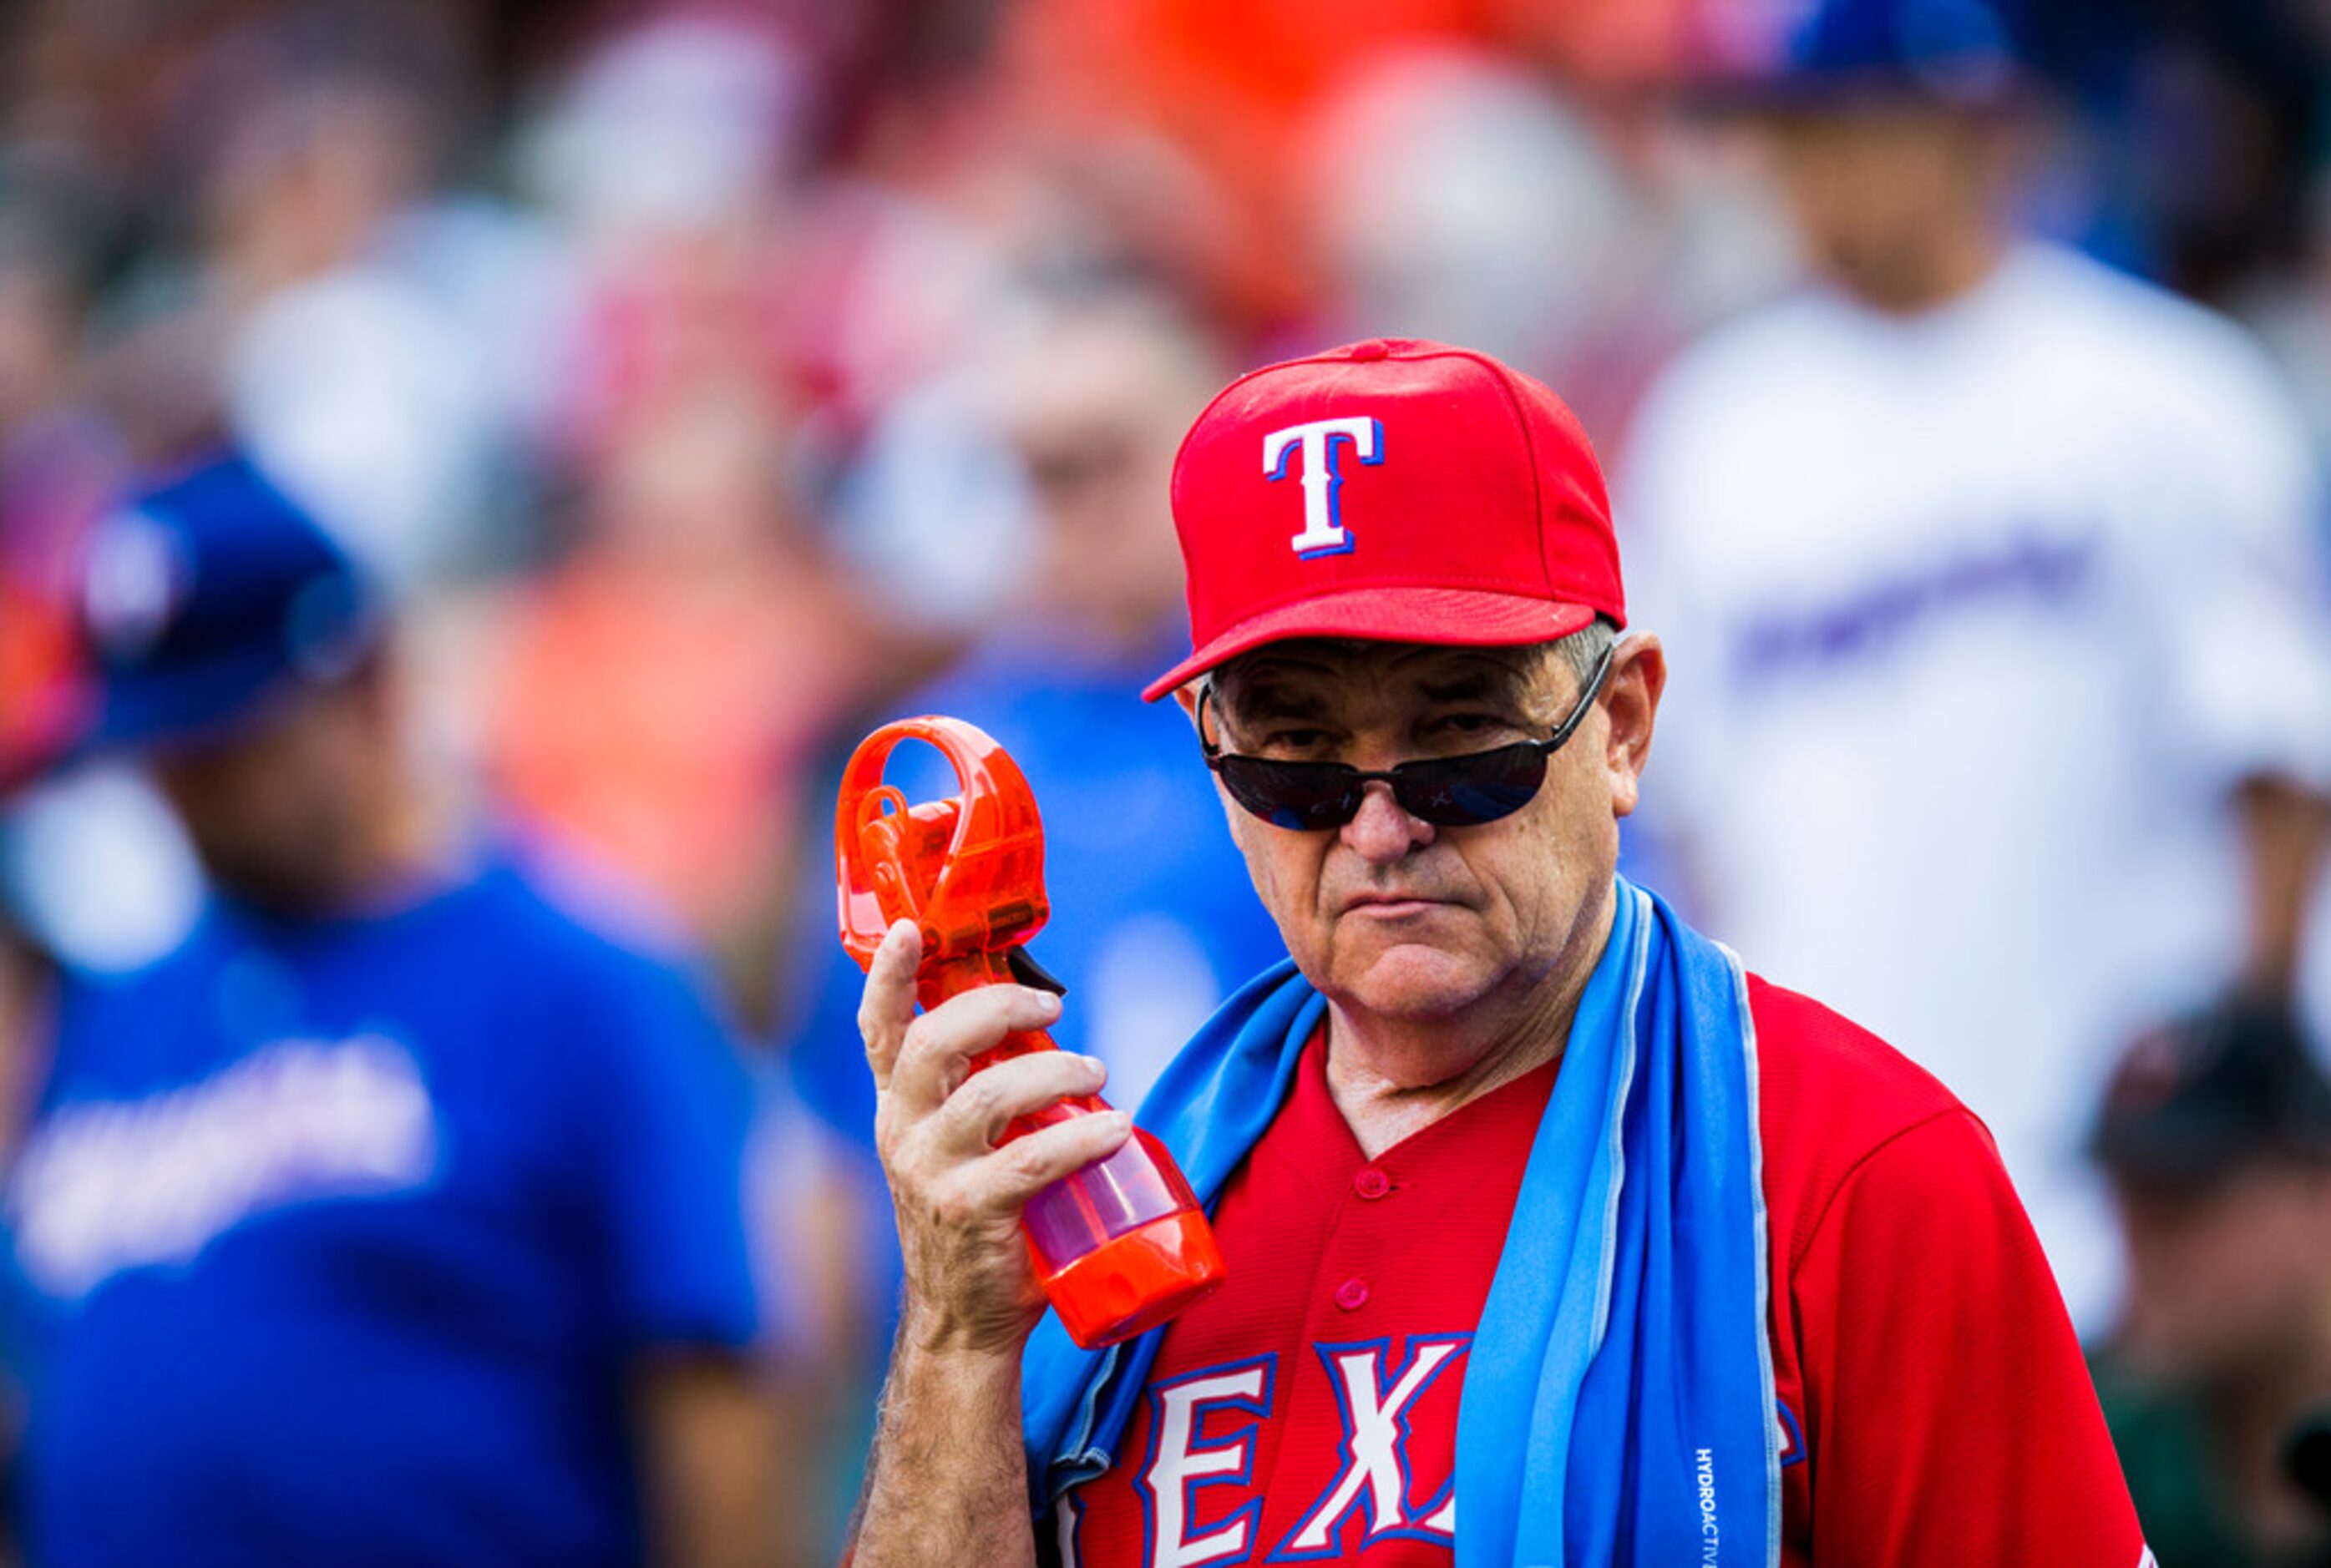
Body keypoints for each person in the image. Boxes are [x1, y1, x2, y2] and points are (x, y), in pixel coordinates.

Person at [843, 337, 2145, 1565]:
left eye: (1462, 741)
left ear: (1620, 727)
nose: (1377, 827)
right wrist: (957, 1338)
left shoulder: (1851, 1168)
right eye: (1293, 758)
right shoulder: (1114, 1195)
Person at [1618, 0, 2331, 1329]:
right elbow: (1689, 805)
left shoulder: (2160, 386)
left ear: (1970, 129)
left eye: (1840, 132)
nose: (1801, 174)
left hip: (2140, 1153)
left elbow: (2279, 755)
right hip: (1849, 1168)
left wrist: (2244, 1050)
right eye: (1784, 137)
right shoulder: (1712, 427)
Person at [3, 451, 778, 1568]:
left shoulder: (577, 980)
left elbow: (714, 1398)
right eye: (158, 757)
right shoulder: (115, 1012)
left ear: (368, 682)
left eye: (226, 747)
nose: (185, 795)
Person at [2089, 999, 2331, 1567]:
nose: (2140, 1248)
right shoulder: (2089, 1442)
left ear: (2317, 1192)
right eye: (2125, 1203)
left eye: (2181, 1198)